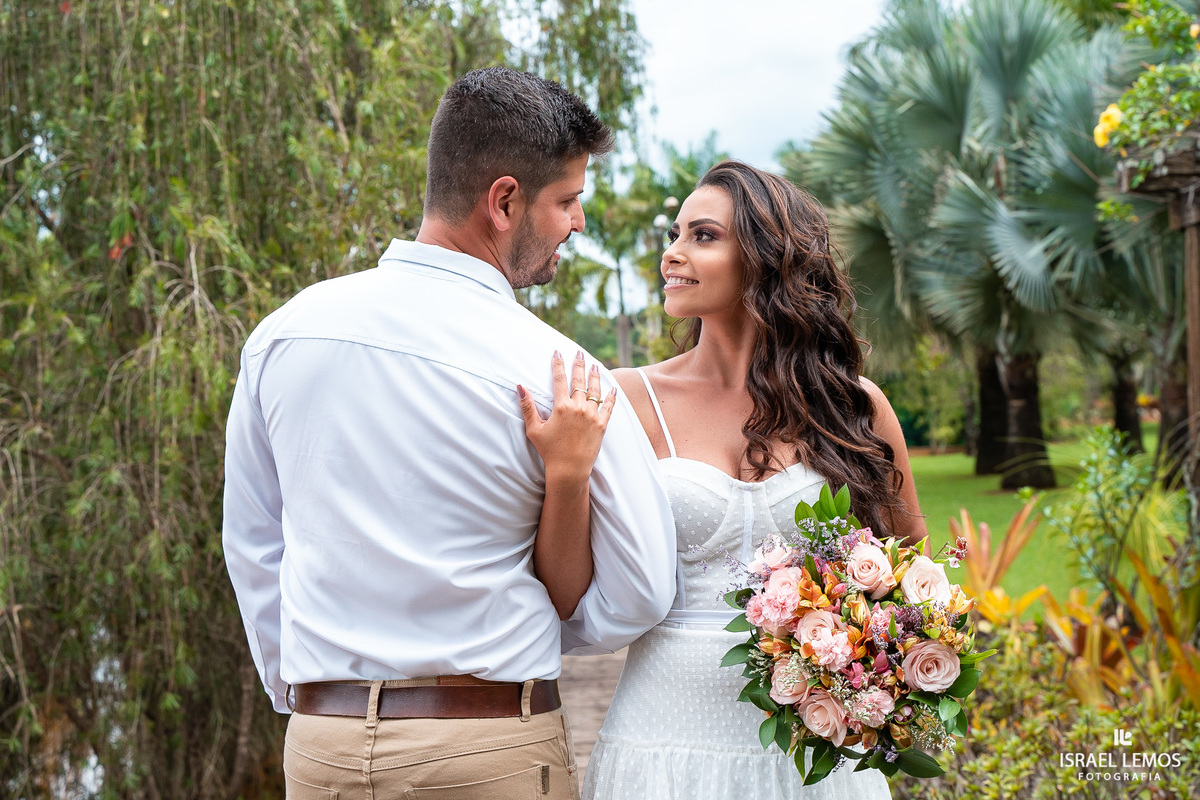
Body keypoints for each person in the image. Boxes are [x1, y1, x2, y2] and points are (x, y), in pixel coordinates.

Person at [222, 66, 676, 800]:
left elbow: (253, 542)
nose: (578, 224)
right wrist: (522, 633)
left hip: (322, 749)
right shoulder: (560, 373)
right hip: (488, 748)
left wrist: (311, 692)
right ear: (505, 201)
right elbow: (642, 591)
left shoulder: (282, 337)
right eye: (567, 201)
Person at [528, 161, 927, 800]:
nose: (672, 254)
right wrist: (568, 476)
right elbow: (569, 594)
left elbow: (912, 583)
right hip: (662, 743)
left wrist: (864, 668)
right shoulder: (627, 399)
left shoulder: (853, 406)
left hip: (811, 753)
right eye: (675, 235)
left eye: (703, 236)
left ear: (767, 259)